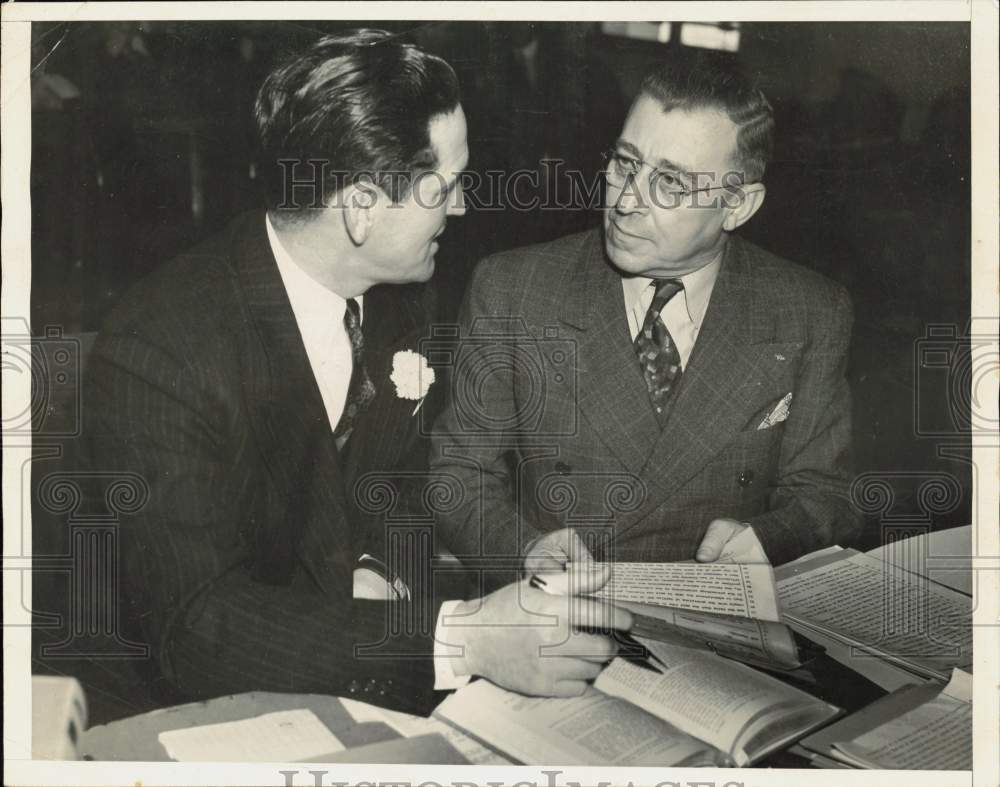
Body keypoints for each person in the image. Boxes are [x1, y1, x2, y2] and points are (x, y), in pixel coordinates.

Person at [85, 30, 630, 715]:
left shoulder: (401, 296)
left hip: (337, 670)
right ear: (362, 207)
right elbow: (196, 625)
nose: (461, 208)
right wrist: (461, 638)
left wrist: (374, 568)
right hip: (167, 711)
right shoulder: (161, 350)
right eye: (446, 188)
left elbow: (396, 485)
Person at [428, 51, 861, 578]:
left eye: (672, 184)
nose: (628, 200)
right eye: (626, 164)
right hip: (555, 611)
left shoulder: (809, 312)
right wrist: (524, 550)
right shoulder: (515, 290)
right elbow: (458, 475)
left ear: (739, 206)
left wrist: (769, 536)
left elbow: (827, 494)